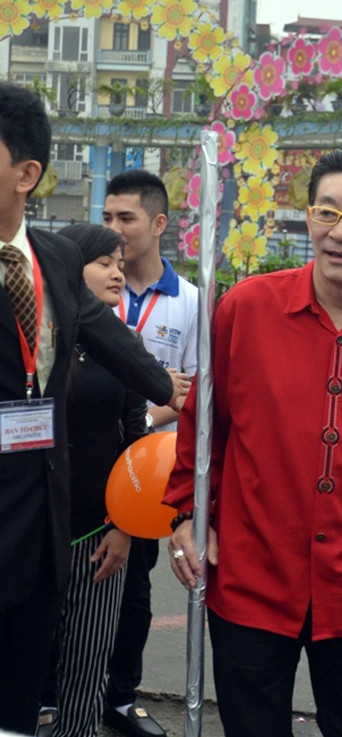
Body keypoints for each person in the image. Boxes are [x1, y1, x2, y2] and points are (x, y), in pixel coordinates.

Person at [164, 147, 342, 737]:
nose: (339, 232)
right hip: (251, 578)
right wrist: (186, 512)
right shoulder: (246, 309)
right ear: (309, 218)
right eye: (326, 212)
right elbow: (204, 429)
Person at [0, 82, 186, 736]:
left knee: (20, 701)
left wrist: (175, 392)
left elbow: (111, 340)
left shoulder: (53, 258)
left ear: (26, 174)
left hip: (42, 521)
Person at [39, 224, 146, 737]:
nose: (117, 273)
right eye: (104, 263)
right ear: (68, 269)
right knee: (21, 661)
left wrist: (123, 527)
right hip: (33, 532)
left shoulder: (126, 345)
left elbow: (135, 442)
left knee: (87, 664)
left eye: (121, 264)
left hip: (98, 534)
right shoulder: (34, 340)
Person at [102, 169, 198, 737]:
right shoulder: (90, 287)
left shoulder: (190, 302)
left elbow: (195, 394)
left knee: (134, 589)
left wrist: (158, 408)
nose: (114, 228)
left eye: (127, 217)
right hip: (89, 458)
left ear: (159, 223)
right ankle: (53, 695)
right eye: (107, 217)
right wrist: (162, 395)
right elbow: (171, 392)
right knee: (69, 580)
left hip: (145, 475)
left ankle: (119, 699)